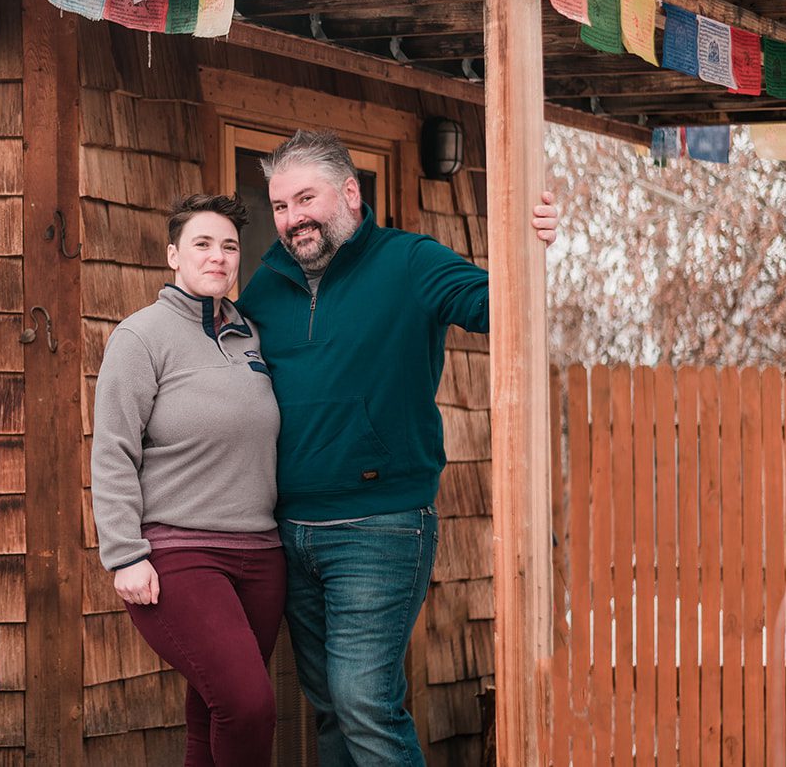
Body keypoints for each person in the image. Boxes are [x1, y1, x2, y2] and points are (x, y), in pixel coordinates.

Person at [235, 129, 556, 766]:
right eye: (279, 206)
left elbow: (498, 305)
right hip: (289, 530)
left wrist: (535, 248)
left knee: (363, 702)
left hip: (379, 526)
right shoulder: (264, 290)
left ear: (350, 193)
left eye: (306, 199)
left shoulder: (409, 262)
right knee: (329, 711)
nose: (292, 219)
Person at [90, 193, 286, 767]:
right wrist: (124, 554)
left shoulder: (250, 335)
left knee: (213, 712)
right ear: (174, 254)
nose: (218, 256)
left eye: (229, 246)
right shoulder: (140, 337)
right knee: (250, 707)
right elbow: (113, 450)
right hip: (180, 554)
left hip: (261, 555)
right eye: (202, 244)